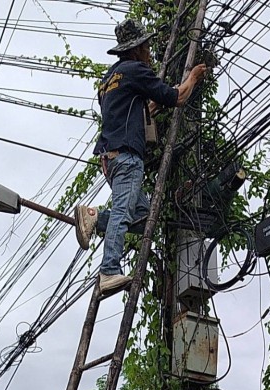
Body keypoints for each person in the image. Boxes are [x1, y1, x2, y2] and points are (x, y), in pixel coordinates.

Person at [74, 18, 207, 297]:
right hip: (127, 158)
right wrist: (193, 76)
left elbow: (129, 110)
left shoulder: (107, 80)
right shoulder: (135, 70)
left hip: (110, 158)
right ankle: (108, 270)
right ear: (134, 49)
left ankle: (95, 219)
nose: (148, 51)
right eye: (145, 46)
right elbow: (178, 97)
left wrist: (152, 106)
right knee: (123, 214)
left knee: (144, 217)